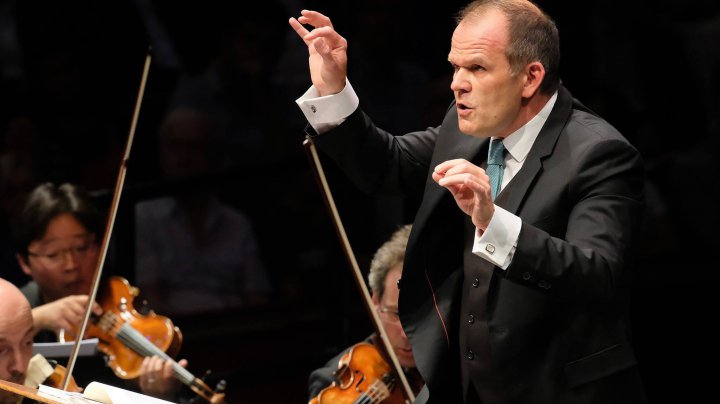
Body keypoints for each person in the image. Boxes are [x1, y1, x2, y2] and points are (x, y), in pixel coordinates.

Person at [289, 1, 647, 403]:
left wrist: (494, 223)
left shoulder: (598, 153)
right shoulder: (466, 126)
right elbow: (387, 166)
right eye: (455, 66)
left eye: (476, 68)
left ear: (531, 77)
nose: (456, 83)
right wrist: (333, 88)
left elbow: (599, 277)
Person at [11, 182, 189, 401]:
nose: (71, 264)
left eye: (81, 248)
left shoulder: (125, 303)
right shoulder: (16, 304)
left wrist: (157, 394)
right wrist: (37, 319)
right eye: (52, 254)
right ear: (24, 262)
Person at [307, 224, 424, 400]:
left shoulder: (453, 368)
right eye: (395, 314)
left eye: (418, 317)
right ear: (375, 302)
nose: (405, 334)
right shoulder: (332, 381)